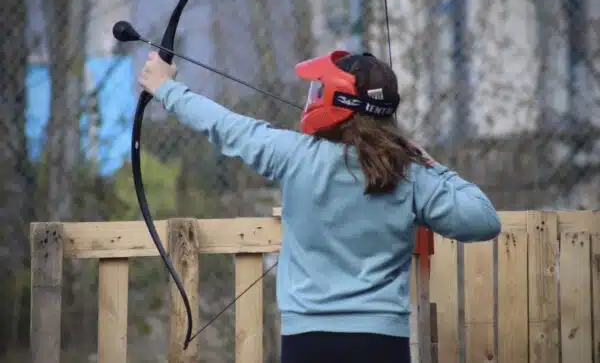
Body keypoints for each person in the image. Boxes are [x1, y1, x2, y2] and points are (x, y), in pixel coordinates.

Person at [138, 49, 501, 363]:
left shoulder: (295, 156)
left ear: (336, 101)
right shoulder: (409, 175)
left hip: (307, 341)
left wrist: (165, 87)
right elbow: (483, 220)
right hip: (382, 342)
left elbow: (226, 126)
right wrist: (431, 165)